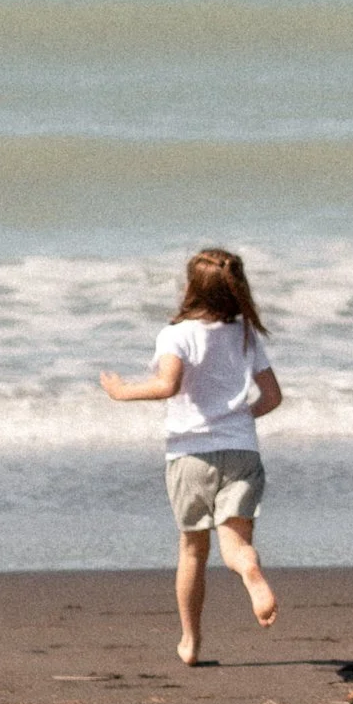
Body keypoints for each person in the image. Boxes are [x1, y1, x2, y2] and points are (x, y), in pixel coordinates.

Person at [100, 246, 282, 663]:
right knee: (235, 547)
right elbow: (271, 396)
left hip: (190, 455)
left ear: (191, 288)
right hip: (240, 451)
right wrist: (237, 417)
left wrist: (120, 391)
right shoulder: (244, 335)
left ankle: (191, 641)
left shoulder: (176, 334)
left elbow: (167, 385)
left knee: (193, 551)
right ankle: (250, 572)